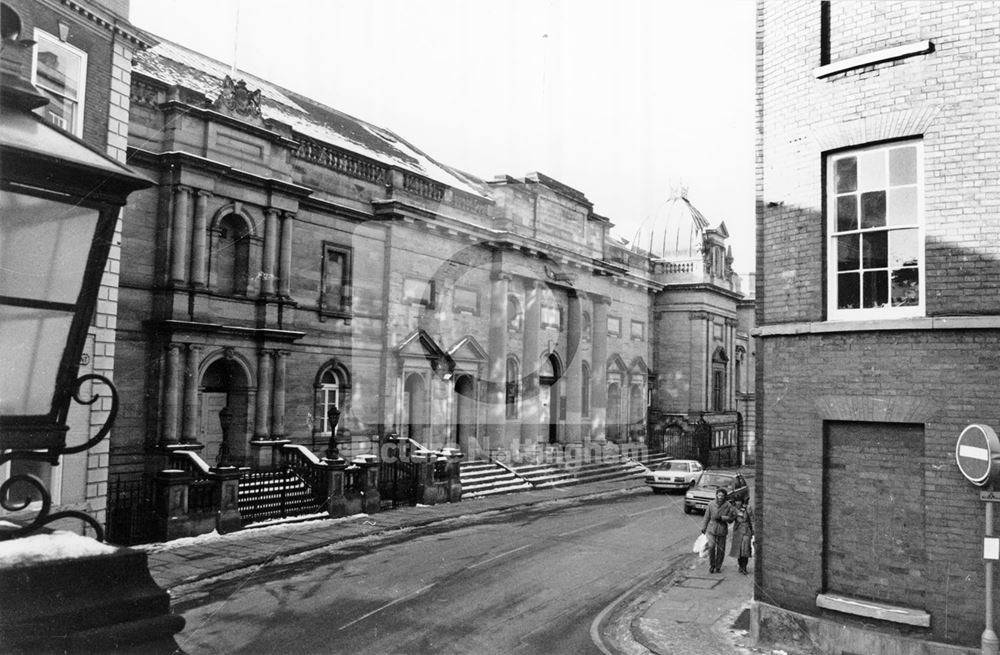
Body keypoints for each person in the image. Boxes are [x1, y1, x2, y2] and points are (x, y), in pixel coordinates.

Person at [701, 488, 734, 573]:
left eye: (722, 496)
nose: (720, 497)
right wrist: (704, 527)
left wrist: (722, 518)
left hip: (722, 530)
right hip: (711, 529)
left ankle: (718, 566)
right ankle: (712, 565)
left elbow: (731, 519)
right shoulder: (711, 504)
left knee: (721, 549)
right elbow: (706, 517)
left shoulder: (728, 505)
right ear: (716, 495)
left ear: (725, 496)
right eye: (719, 495)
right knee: (711, 547)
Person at [729, 496, 754, 574]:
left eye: (739, 501)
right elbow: (730, 520)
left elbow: (752, 520)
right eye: (736, 501)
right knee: (738, 550)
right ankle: (740, 565)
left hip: (746, 530)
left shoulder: (747, 508)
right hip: (737, 530)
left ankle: (744, 567)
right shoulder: (733, 509)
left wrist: (753, 530)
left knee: (745, 550)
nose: (738, 503)